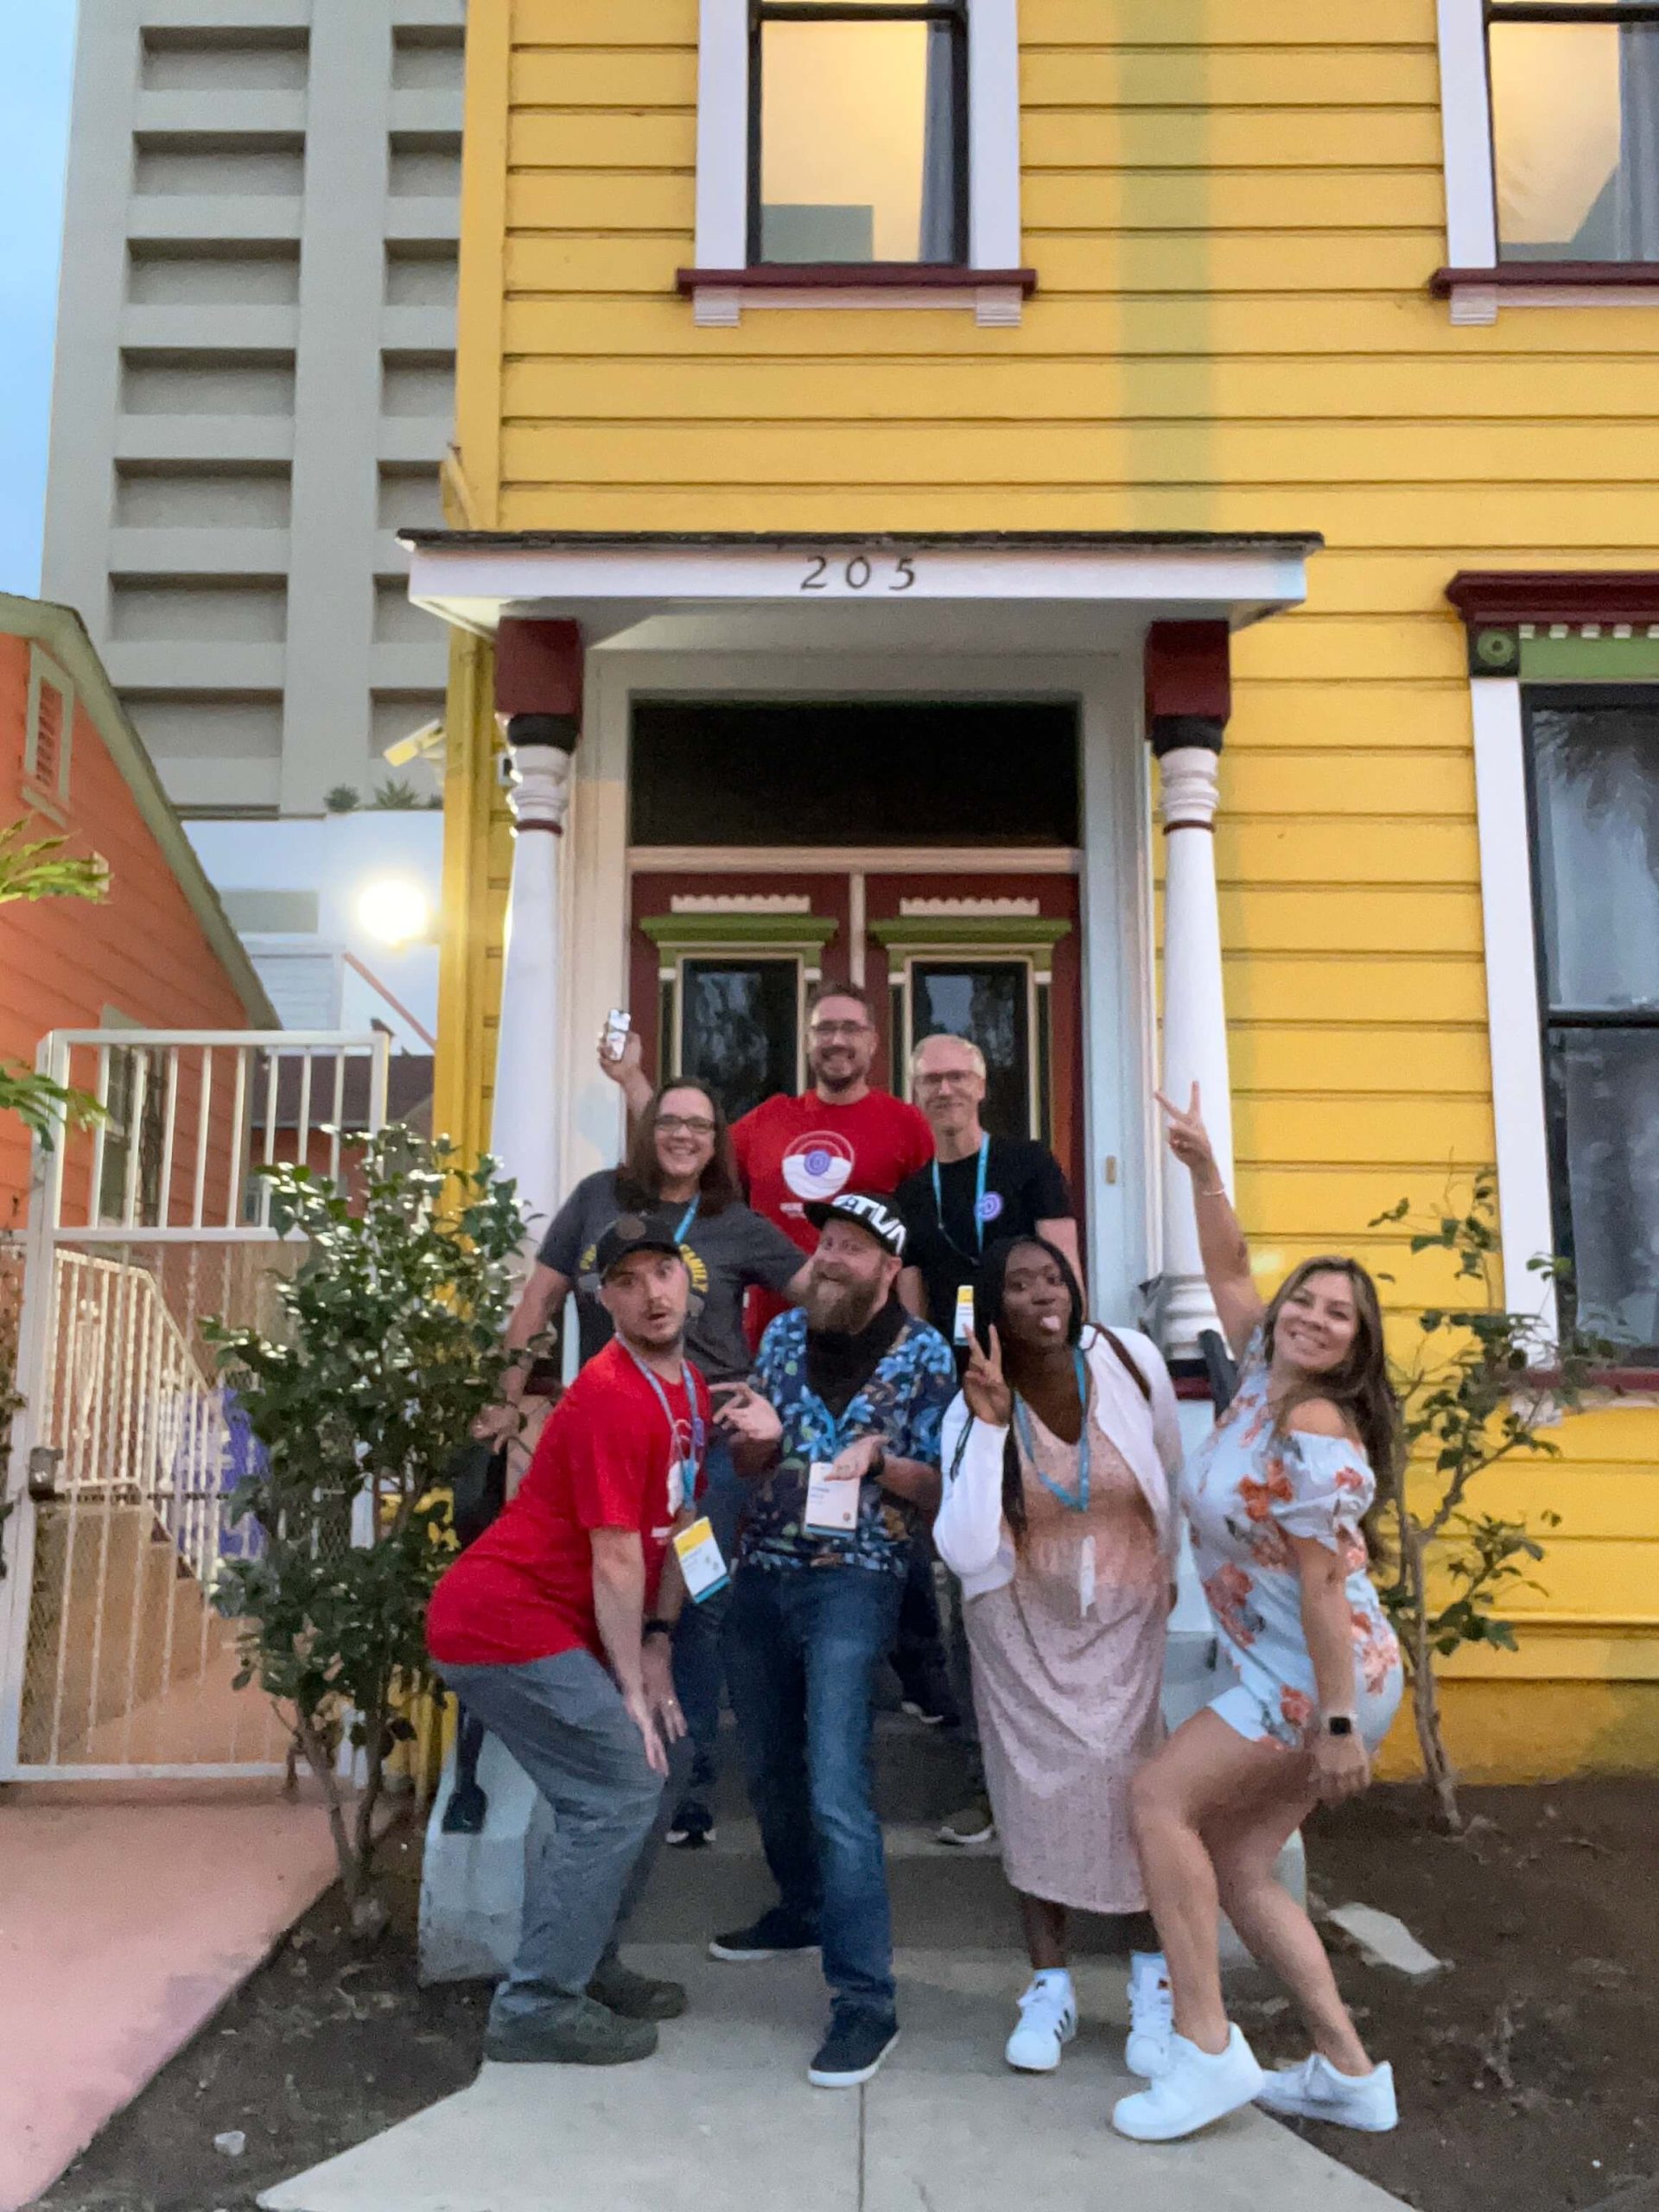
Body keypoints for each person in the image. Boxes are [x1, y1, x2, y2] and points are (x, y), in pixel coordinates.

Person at [1111, 1084, 1405, 2144]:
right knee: (1238, 1863)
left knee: (1157, 1800)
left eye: (1342, 1316)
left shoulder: (1318, 1426)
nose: (1316, 1318)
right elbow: (1231, 1270)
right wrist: (1200, 1168)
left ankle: (1203, 2047)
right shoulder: (1256, 1382)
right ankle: (1347, 2070)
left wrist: (1334, 1723)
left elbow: (1325, 1588)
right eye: (1309, 1300)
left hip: (1316, 1678)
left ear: (1355, 1347)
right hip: (1298, 1674)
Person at [481, 1079, 809, 1848]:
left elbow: (818, 1299)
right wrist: (501, 1400)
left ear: (716, 1140)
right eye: (669, 1122)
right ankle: (613, 1757)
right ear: (645, 1130)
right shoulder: (598, 1198)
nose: (684, 1137)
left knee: (695, 1602)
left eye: (700, 1125)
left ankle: (683, 1784)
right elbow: (538, 1302)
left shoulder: (736, 1222)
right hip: (617, 1429)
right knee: (605, 1589)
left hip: (710, 1441)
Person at [427, 1224, 708, 2067]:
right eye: (629, 1280)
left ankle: (586, 1961)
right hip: (500, 1623)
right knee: (621, 1780)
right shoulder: (609, 1394)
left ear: (686, 1278)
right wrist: (628, 1684)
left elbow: (682, 1527)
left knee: (668, 1765)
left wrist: (658, 1647)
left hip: (561, 1622)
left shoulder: (687, 1387)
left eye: (664, 1270)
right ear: (606, 1299)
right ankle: (537, 2003)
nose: (653, 1291)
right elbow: (617, 1554)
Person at [708, 1191, 957, 2090]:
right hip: (763, 1569)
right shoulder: (779, 1338)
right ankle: (802, 1906)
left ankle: (866, 2001)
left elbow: (936, 1490)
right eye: (826, 1243)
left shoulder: (927, 1356)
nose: (832, 1258)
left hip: (856, 1580)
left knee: (834, 1783)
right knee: (769, 1763)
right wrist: (758, 1443)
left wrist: (882, 1463)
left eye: (852, 1247)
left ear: (889, 1267)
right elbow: (749, 1459)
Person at [934, 1236, 1181, 2079]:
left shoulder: (1130, 1360)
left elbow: (1169, 1476)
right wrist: (990, 1424)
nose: (1043, 1292)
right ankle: (1049, 1983)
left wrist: (1176, 1577)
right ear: (991, 1306)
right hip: (1018, 1620)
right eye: (1019, 1283)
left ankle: (1154, 1980)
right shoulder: (969, 1401)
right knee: (1033, 1792)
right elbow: (966, 1546)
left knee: (1130, 1785)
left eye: (1053, 1276)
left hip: (1126, 1609)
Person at [894, 1030, 1082, 1842]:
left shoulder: (1027, 1163)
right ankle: (985, 1776)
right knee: (967, 1587)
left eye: (956, 1076)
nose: (943, 1090)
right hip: (959, 1402)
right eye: (929, 1079)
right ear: (918, 1093)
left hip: (1036, 1395)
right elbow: (909, 1303)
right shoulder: (913, 1187)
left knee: (1046, 1578)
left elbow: (1064, 1276)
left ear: (981, 1084)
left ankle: (1064, 1769)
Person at [608, 984, 935, 1324]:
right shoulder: (769, 1119)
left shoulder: (907, 1124)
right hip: (772, 1341)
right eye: (824, 1029)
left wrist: (912, 1338)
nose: (837, 1040)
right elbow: (686, 1148)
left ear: (873, 1041)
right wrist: (631, 1079)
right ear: (808, 1041)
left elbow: (922, 1246)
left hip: (867, 1336)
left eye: (851, 1028)